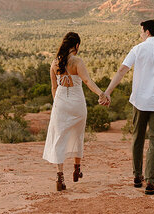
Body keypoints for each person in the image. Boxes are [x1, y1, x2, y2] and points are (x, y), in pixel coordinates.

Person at [102, 20, 154, 195]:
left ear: (146, 32)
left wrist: (108, 92)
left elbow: (122, 70)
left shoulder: (137, 49)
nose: (140, 34)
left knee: (137, 138)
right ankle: (151, 182)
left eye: (141, 31)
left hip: (140, 101)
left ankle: (137, 176)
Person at [42, 32, 109, 191]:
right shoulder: (77, 61)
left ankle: (60, 176)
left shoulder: (54, 63)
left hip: (61, 103)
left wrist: (57, 104)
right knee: (78, 135)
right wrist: (101, 94)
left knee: (59, 138)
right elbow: (87, 81)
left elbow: (54, 87)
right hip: (77, 104)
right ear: (76, 45)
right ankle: (77, 169)